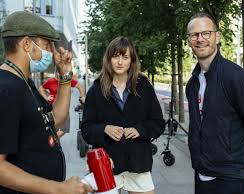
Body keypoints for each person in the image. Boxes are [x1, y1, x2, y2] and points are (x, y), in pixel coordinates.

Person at [0, 11, 93, 194]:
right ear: (27, 44)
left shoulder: (24, 83)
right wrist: (58, 188)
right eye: (47, 45)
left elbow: (55, 120)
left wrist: (65, 76)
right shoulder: (7, 90)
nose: (52, 52)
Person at [186, 12, 244, 194]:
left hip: (230, 179)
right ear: (188, 40)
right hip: (202, 174)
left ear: (217, 36)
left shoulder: (238, 79)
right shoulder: (192, 83)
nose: (200, 39)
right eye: (194, 35)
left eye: (206, 33)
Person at [81, 36, 165, 194]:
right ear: (109, 59)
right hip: (107, 165)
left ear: (131, 60)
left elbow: (158, 123)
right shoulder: (96, 90)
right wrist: (104, 129)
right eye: (115, 56)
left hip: (138, 163)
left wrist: (140, 130)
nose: (120, 62)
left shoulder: (144, 87)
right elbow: (86, 129)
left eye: (125, 57)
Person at [39, 72, 86, 138]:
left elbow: (78, 86)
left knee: (65, 129)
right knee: (54, 128)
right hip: (53, 108)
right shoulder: (51, 81)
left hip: (64, 107)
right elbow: (41, 88)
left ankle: (52, 140)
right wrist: (46, 97)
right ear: (56, 72)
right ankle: (54, 143)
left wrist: (82, 97)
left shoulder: (67, 81)